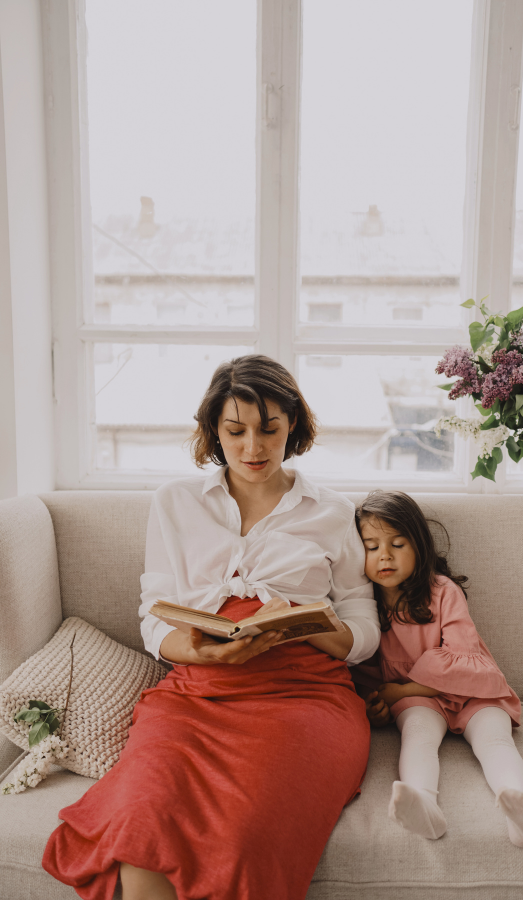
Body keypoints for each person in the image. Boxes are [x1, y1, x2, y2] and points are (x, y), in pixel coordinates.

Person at [43, 355, 380, 900]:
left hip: (304, 696)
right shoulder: (174, 503)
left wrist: (307, 623)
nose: (254, 448)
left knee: (247, 839)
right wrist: (202, 654)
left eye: (270, 429)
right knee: (140, 822)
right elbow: (154, 614)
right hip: (197, 692)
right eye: (236, 431)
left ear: (292, 424)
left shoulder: (334, 511)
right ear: (213, 431)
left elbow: (364, 630)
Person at [355, 490, 523, 848]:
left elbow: (463, 658)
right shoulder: (364, 605)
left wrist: (402, 690)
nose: (385, 556)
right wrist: (376, 705)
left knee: (495, 740)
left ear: (419, 546)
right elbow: (365, 674)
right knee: (418, 735)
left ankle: (520, 807)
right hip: (422, 704)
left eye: (397, 543)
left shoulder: (442, 591)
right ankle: (423, 803)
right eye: (371, 546)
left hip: (473, 691)